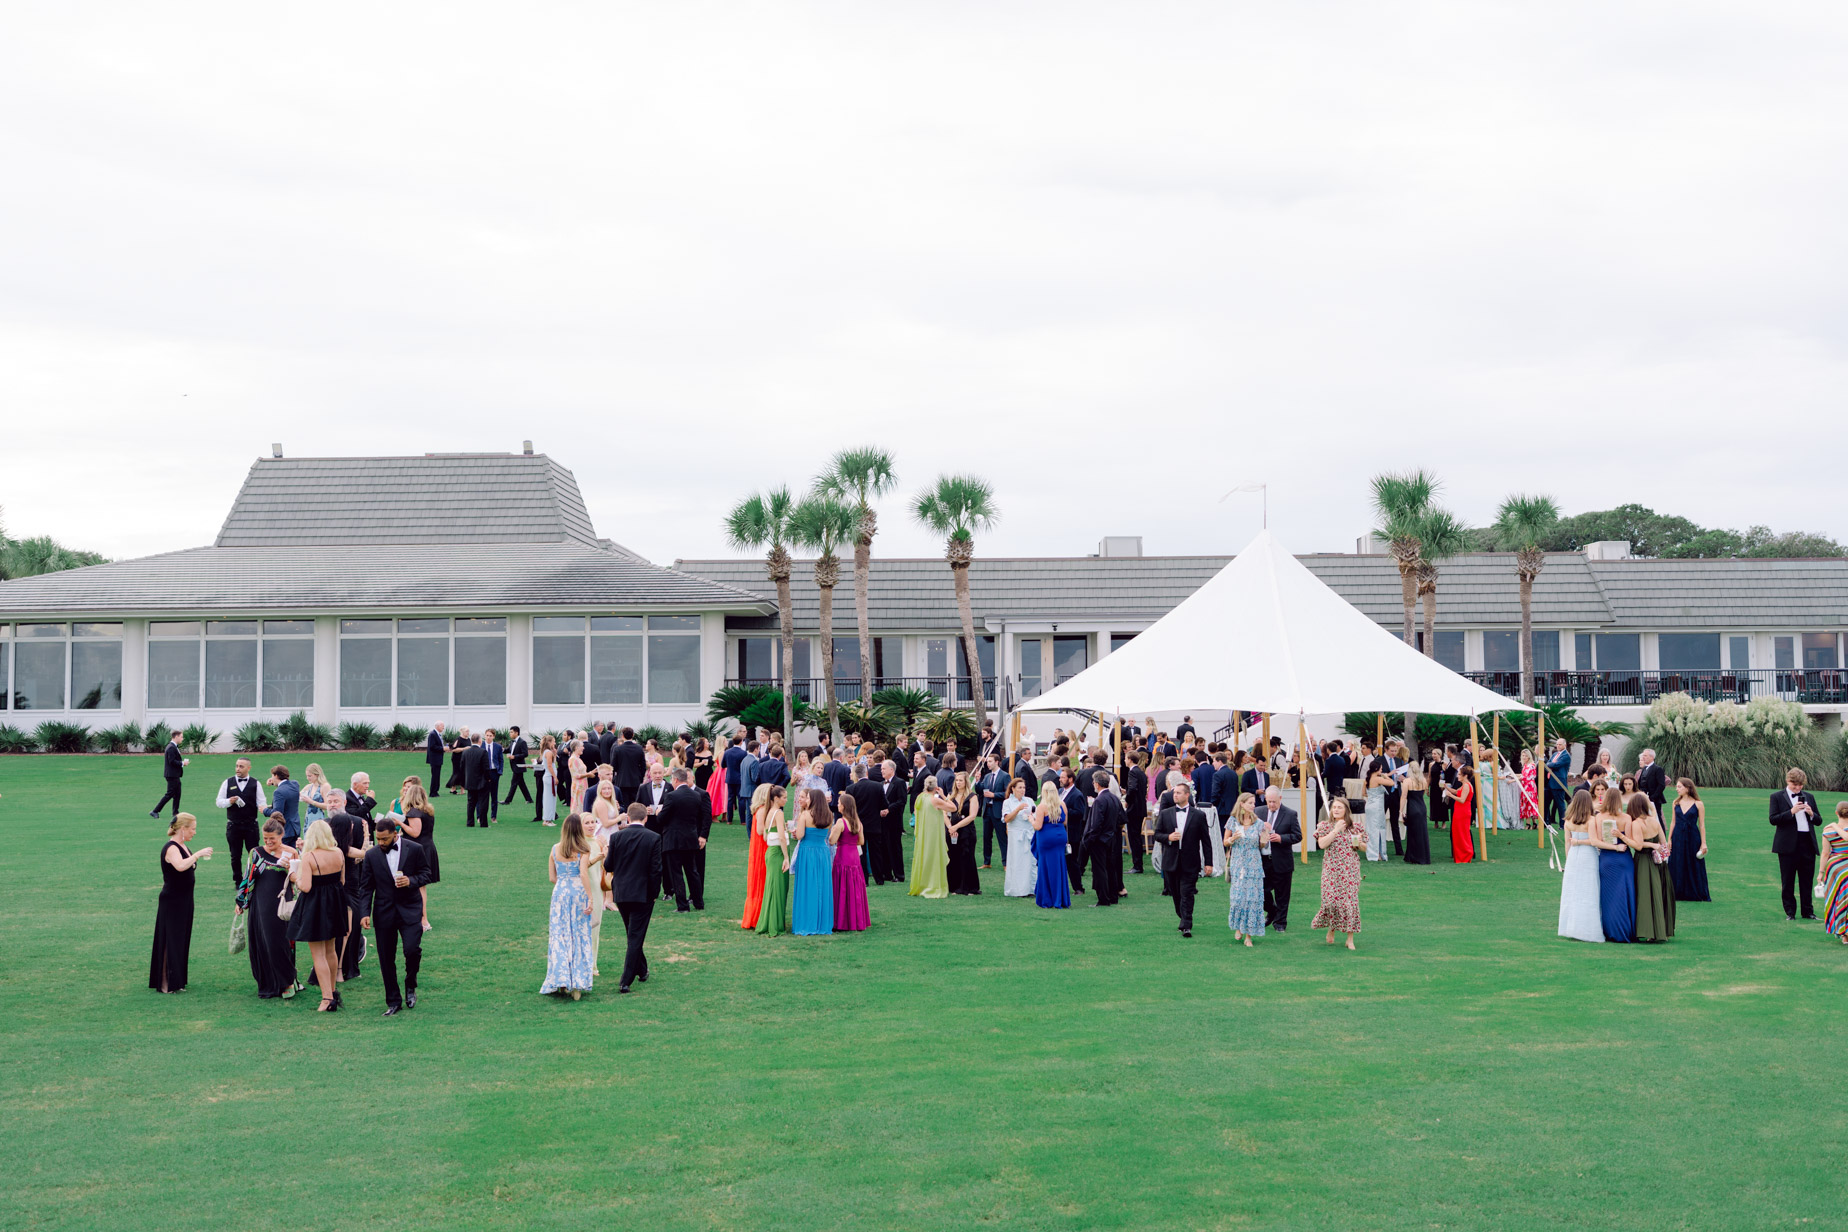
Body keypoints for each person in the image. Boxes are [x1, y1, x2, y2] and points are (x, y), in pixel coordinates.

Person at [357, 815, 431, 1015]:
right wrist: (364, 912)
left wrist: (411, 880)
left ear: (396, 834)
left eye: (385, 839)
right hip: (384, 912)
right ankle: (393, 1001)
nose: (381, 843)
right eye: (378, 839)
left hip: (410, 909)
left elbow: (427, 873)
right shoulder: (371, 855)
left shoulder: (414, 849)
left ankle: (410, 984)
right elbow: (366, 887)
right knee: (386, 958)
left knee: (412, 950)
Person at [287, 819, 348, 1011]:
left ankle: (327, 998)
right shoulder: (338, 853)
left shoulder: (309, 857)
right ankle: (332, 991)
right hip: (335, 904)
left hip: (315, 907)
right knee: (331, 950)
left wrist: (294, 878)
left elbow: (306, 887)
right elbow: (342, 881)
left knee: (319, 954)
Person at [236, 817, 298, 997]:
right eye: (266, 838)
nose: (269, 842)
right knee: (263, 943)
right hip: (261, 903)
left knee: (281, 942)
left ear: (282, 835)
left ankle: (287, 981)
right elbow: (248, 877)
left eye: (273, 838)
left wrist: (290, 869)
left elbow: (299, 878)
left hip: (283, 903)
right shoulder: (255, 852)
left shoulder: (291, 852)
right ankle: (268, 983)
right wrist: (241, 902)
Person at [604, 803, 664, 992]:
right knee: (635, 935)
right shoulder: (653, 837)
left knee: (632, 933)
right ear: (645, 818)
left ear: (628, 818)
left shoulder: (616, 837)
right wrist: (654, 894)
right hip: (643, 893)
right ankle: (626, 980)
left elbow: (608, 865)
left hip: (621, 892)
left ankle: (642, 969)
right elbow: (656, 870)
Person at [540, 813, 598, 999]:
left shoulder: (555, 848)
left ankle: (561, 980)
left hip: (560, 894)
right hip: (578, 893)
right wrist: (590, 898)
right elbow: (582, 873)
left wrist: (563, 885)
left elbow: (552, 877)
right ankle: (577, 985)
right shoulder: (583, 848)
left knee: (560, 935)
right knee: (579, 935)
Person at [150, 813, 208, 992]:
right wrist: (198, 854)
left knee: (181, 938)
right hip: (173, 900)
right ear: (182, 829)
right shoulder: (171, 848)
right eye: (192, 828)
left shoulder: (183, 846)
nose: (194, 832)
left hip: (185, 899)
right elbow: (181, 866)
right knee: (171, 938)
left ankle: (178, 980)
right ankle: (166, 983)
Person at [1153, 781, 1216, 937]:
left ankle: (1186, 925)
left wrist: (1209, 863)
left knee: (1187, 893)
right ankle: (1182, 916)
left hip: (1191, 862)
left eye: (1179, 793)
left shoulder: (1199, 815)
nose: (1175, 795)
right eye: (1174, 793)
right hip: (1171, 861)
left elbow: (1206, 842)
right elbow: (1157, 834)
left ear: (1187, 795)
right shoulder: (1166, 814)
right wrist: (1168, 837)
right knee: (1176, 895)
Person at [1311, 797, 1366, 948]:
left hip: (1350, 869)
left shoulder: (1355, 827)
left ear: (1346, 810)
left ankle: (1350, 938)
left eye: (1339, 807)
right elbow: (1322, 844)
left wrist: (1359, 842)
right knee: (1331, 901)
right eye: (1334, 807)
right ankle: (1332, 928)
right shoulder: (1325, 826)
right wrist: (1335, 830)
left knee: (1350, 903)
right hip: (1331, 870)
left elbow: (1364, 848)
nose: (1336, 810)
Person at [1770, 768, 1822, 921]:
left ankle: (1808, 912)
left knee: (1806, 880)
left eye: (1800, 785)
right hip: (1787, 845)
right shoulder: (1777, 797)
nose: (1798, 788)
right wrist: (1791, 811)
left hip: (1807, 843)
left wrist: (1811, 814)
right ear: (1788, 781)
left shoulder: (1809, 797)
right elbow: (1773, 819)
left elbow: (1819, 821)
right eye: (1794, 785)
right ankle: (1790, 913)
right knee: (1788, 880)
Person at [1623, 792, 1675, 942]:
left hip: (1644, 860)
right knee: (1657, 892)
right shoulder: (1654, 820)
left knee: (1646, 894)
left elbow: (1638, 846)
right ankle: (1661, 930)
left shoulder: (1636, 823)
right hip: (1658, 861)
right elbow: (1663, 842)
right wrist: (1658, 848)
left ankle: (1649, 931)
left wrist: (1624, 838)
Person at [1556, 792, 1604, 943]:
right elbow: (1594, 841)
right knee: (1589, 890)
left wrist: (1568, 858)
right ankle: (1587, 929)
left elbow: (1567, 843)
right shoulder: (1591, 820)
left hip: (1573, 857)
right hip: (1587, 856)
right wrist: (1580, 842)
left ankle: (1570, 927)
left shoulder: (1568, 821)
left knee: (1574, 890)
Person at [659, 768, 709, 912]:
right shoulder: (696, 795)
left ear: (675, 780)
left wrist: (658, 813)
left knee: (677, 873)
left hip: (674, 840)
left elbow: (662, 818)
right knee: (692, 871)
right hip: (690, 838)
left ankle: (682, 905)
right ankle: (699, 903)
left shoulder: (672, 796)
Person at [790, 788, 837, 935]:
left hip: (807, 851)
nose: (807, 800)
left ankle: (806, 921)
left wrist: (794, 832)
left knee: (807, 885)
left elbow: (800, 835)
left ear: (814, 800)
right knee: (821, 886)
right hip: (822, 852)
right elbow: (827, 834)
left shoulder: (805, 815)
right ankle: (822, 922)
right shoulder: (829, 815)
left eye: (809, 798)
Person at [214, 758, 267, 888]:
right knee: (235, 855)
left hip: (251, 825)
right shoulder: (227, 782)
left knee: (254, 853)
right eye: (237, 766)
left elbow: (261, 802)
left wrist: (265, 809)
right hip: (233, 825)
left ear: (248, 768)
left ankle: (254, 878)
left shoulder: (256, 784)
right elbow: (219, 801)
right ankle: (238, 881)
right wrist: (229, 802)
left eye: (241, 766)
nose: (238, 769)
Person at [1222, 792, 1266, 946]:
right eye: (1250, 803)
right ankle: (1239, 927)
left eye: (1254, 803)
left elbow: (1262, 844)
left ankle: (1249, 935)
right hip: (1238, 864)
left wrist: (1265, 840)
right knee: (1238, 899)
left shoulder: (1259, 823)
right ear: (1242, 804)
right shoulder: (1233, 821)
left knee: (1252, 900)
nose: (1253, 806)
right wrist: (1232, 839)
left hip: (1253, 864)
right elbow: (1225, 842)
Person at [1256, 786, 1301, 932]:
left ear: (1280, 799)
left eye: (1274, 802)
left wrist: (1281, 838)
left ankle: (1280, 923)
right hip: (1262, 860)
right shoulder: (1258, 812)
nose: (1271, 805)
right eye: (1269, 801)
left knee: (1282, 893)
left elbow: (1297, 836)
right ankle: (1272, 910)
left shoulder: (1290, 814)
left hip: (1281, 860)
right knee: (1261, 890)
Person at [1594, 787, 1636, 943]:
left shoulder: (1599, 817)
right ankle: (1626, 930)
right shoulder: (1626, 818)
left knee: (1608, 898)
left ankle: (1610, 931)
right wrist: (1620, 837)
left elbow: (1598, 840)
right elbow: (1631, 841)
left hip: (1607, 859)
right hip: (1624, 859)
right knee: (1624, 896)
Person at [755, 786, 794, 936]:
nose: (786, 800)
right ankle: (775, 924)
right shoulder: (778, 813)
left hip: (770, 851)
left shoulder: (767, 812)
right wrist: (786, 857)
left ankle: (770, 921)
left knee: (772, 887)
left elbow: (765, 836)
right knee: (778, 888)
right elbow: (782, 838)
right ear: (776, 798)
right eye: (784, 797)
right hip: (777, 853)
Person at [1665, 778, 1710, 903]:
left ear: (1687, 788)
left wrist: (1703, 842)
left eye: (1679, 787)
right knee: (1677, 862)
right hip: (1678, 836)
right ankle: (1677, 892)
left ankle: (1695, 892)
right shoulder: (1675, 803)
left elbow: (1702, 825)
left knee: (1693, 862)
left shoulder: (1698, 804)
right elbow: (1673, 822)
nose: (1676, 789)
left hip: (1692, 836)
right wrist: (1669, 838)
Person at [1085, 773, 1126, 906]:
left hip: (1099, 840)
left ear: (1097, 784)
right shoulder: (1114, 798)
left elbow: (1096, 823)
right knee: (1110, 867)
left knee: (1100, 869)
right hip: (1112, 838)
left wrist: (1090, 839)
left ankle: (1103, 898)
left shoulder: (1099, 800)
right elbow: (1122, 819)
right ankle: (1113, 896)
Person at [1029, 783, 1072, 909]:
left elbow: (1038, 826)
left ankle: (1048, 898)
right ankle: (1060, 897)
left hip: (1047, 838)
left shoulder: (1042, 807)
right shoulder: (1062, 804)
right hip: (1060, 837)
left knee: (1045, 866)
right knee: (1059, 865)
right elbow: (1064, 821)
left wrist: (1031, 819)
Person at [832, 793, 870, 932]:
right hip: (854, 856)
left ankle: (841, 921)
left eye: (839, 803)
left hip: (843, 855)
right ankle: (857, 919)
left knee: (842, 887)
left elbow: (832, 840)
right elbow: (861, 841)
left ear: (844, 806)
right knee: (854, 887)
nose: (837, 805)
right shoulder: (857, 822)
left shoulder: (841, 822)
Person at [909, 775, 951, 899]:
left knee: (923, 856)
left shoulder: (919, 797)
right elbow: (953, 808)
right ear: (936, 787)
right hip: (933, 832)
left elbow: (916, 812)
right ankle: (932, 885)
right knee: (933, 857)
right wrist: (943, 795)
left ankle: (921, 884)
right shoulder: (935, 800)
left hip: (922, 832)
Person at [944, 772, 982, 895]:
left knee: (967, 857)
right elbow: (944, 812)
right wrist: (950, 827)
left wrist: (956, 826)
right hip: (951, 831)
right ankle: (953, 886)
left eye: (961, 780)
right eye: (957, 780)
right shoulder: (950, 795)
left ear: (966, 782)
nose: (958, 782)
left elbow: (972, 816)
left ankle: (969, 887)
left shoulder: (972, 796)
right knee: (953, 857)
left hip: (967, 831)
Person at [1001, 778, 1038, 897]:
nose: (1022, 790)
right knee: (1018, 861)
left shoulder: (1029, 800)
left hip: (1028, 833)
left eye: (1024, 787)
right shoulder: (1008, 802)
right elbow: (1007, 819)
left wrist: (1031, 816)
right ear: (1013, 789)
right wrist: (1018, 809)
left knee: (1030, 861)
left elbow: (1035, 814)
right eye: (1020, 788)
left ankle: (1031, 888)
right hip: (1016, 835)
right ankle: (1018, 889)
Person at [1821, 802, 1848, 945]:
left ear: (1836, 813)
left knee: (1838, 899)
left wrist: (1820, 872)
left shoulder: (1828, 829)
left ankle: (1843, 933)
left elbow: (1825, 853)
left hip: (1835, 868)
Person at [149, 729, 190, 820]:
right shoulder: (171, 747)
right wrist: (182, 763)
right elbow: (171, 761)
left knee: (177, 793)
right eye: (181, 737)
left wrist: (182, 763)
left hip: (174, 774)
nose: (182, 739)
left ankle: (175, 812)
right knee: (170, 794)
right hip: (171, 775)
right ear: (176, 737)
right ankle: (155, 811)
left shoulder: (173, 746)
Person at [1443, 754, 1475, 864]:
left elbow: (1462, 799)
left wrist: (1450, 795)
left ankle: (1466, 854)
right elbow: (1457, 792)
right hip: (1459, 811)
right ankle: (1460, 855)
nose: (1458, 776)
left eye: (1460, 775)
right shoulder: (1464, 784)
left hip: (1463, 811)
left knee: (1463, 833)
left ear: (1465, 775)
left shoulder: (1467, 785)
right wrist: (1447, 788)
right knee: (1457, 833)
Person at [1401, 766, 1432, 865]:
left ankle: (1415, 856)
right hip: (1422, 807)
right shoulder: (1423, 780)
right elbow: (1422, 794)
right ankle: (1419, 855)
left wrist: (1400, 810)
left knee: (1413, 832)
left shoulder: (1407, 781)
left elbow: (1404, 796)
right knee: (1422, 832)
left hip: (1412, 807)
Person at [610, 728, 647, 808]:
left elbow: (613, 766)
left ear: (622, 736)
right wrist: (640, 777)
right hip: (635, 780)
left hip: (622, 780)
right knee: (635, 803)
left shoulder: (618, 749)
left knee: (624, 803)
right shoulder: (639, 748)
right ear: (633, 735)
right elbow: (643, 766)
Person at [1362, 762, 1391, 862]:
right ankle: (1378, 853)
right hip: (1377, 807)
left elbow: (1364, 793)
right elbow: (1392, 783)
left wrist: (1372, 796)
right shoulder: (1378, 779)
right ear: (1376, 769)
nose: (1382, 771)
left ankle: (1372, 852)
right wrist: (1385, 776)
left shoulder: (1367, 780)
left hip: (1369, 805)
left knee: (1370, 829)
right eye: (1381, 769)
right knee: (1378, 829)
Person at [462, 733, 492, 827]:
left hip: (470, 781)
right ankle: (483, 823)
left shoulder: (465, 752)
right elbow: (486, 768)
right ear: (480, 741)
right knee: (483, 803)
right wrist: (488, 778)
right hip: (482, 782)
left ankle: (470, 822)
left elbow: (462, 767)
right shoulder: (483, 752)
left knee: (471, 803)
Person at [266, 765, 301, 844]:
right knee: (293, 854)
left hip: (285, 830)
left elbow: (278, 812)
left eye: (272, 776)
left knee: (282, 854)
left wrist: (265, 810)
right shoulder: (295, 785)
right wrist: (273, 783)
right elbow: (287, 787)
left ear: (276, 775)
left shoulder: (278, 792)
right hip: (295, 828)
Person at [502, 726, 532, 811]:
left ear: (516, 733)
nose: (510, 733)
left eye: (511, 732)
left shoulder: (522, 742)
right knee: (521, 784)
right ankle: (529, 799)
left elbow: (525, 754)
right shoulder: (512, 742)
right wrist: (501, 749)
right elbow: (508, 750)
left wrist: (514, 757)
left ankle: (507, 800)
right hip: (514, 766)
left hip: (519, 766)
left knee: (514, 783)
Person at [537, 734, 559, 825]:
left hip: (549, 776)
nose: (555, 743)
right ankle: (547, 819)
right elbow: (550, 766)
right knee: (549, 798)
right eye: (553, 741)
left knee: (550, 798)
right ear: (549, 742)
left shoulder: (547, 752)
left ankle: (548, 818)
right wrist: (555, 777)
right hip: (550, 777)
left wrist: (555, 753)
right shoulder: (548, 753)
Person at [1518, 749, 1540, 826]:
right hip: (1525, 785)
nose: (1524, 757)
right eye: (1523, 755)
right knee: (1527, 803)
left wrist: (1514, 779)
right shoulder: (1525, 765)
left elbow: (1526, 777)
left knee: (1530, 803)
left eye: (1526, 755)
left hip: (1529, 786)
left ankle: (1529, 823)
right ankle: (1532, 823)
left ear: (1529, 756)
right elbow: (1522, 775)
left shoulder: (1531, 765)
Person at [425, 722, 447, 798]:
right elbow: (432, 746)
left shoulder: (437, 734)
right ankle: (433, 792)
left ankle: (435, 791)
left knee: (437, 775)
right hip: (434, 759)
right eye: (442, 726)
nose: (443, 728)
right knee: (435, 775)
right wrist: (442, 748)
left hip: (438, 758)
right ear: (437, 726)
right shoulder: (433, 734)